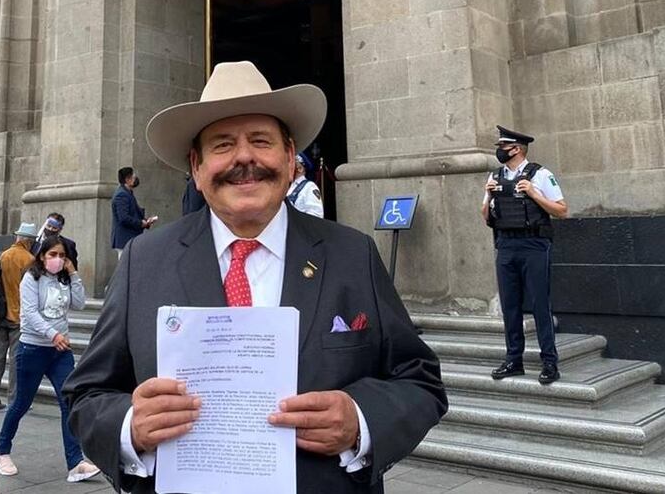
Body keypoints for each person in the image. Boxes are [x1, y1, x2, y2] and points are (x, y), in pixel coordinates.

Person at [65, 61, 447, 493]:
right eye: (223, 145)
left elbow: (419, 379)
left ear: (288, 158)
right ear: (196, 166)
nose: (244, 157)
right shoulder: (144, 259)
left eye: (260, 142)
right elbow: (87, 395)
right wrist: (130, 425)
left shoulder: (351, 253)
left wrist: (360, 421)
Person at [0, 236, 101, 483]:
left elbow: (80, 304)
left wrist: (73, 274)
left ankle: (75, 462)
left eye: (62, 256)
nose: (58, 260)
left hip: (60, 352)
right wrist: (53, 334)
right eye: (53, 255)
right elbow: (28, 313)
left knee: (68, 403)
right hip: (33, 348)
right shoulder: (31, 278)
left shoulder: (63, 279)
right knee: (21, 402)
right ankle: (1, 451)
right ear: (42, 256)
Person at [481, 126, 568, 385]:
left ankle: (549, 362)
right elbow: (485, 217)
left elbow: (561, 210)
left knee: (540, 304)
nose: (499, 150)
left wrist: (533, 193)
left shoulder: (541, 175)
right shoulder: (494, 176)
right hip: (506, 245)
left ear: (516, 149)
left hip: (534, 245)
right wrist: (489, 195)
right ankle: (513, 360)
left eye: (502, 146)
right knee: (510, 306)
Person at [0, 222, 37, 411]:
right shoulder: (29, 260)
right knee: (15, 360)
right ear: (30, 242)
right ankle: (15, 400)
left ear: (17, 238)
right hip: (18, 317)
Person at [111, 167, 156, 258]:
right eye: (134, 177)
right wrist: (141, 223)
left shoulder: (127, 193)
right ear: (128, 180)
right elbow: (123, 218)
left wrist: (146, 222)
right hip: (125, 240)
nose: (136, 179)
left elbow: (132, 214)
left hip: (129, 239)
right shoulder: (122, 195)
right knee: (126, 269)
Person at [287, 152, 324, 218]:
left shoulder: (309, 187)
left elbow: (316, 216)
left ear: (300, 169)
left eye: (292, 165)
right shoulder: (287, 186)